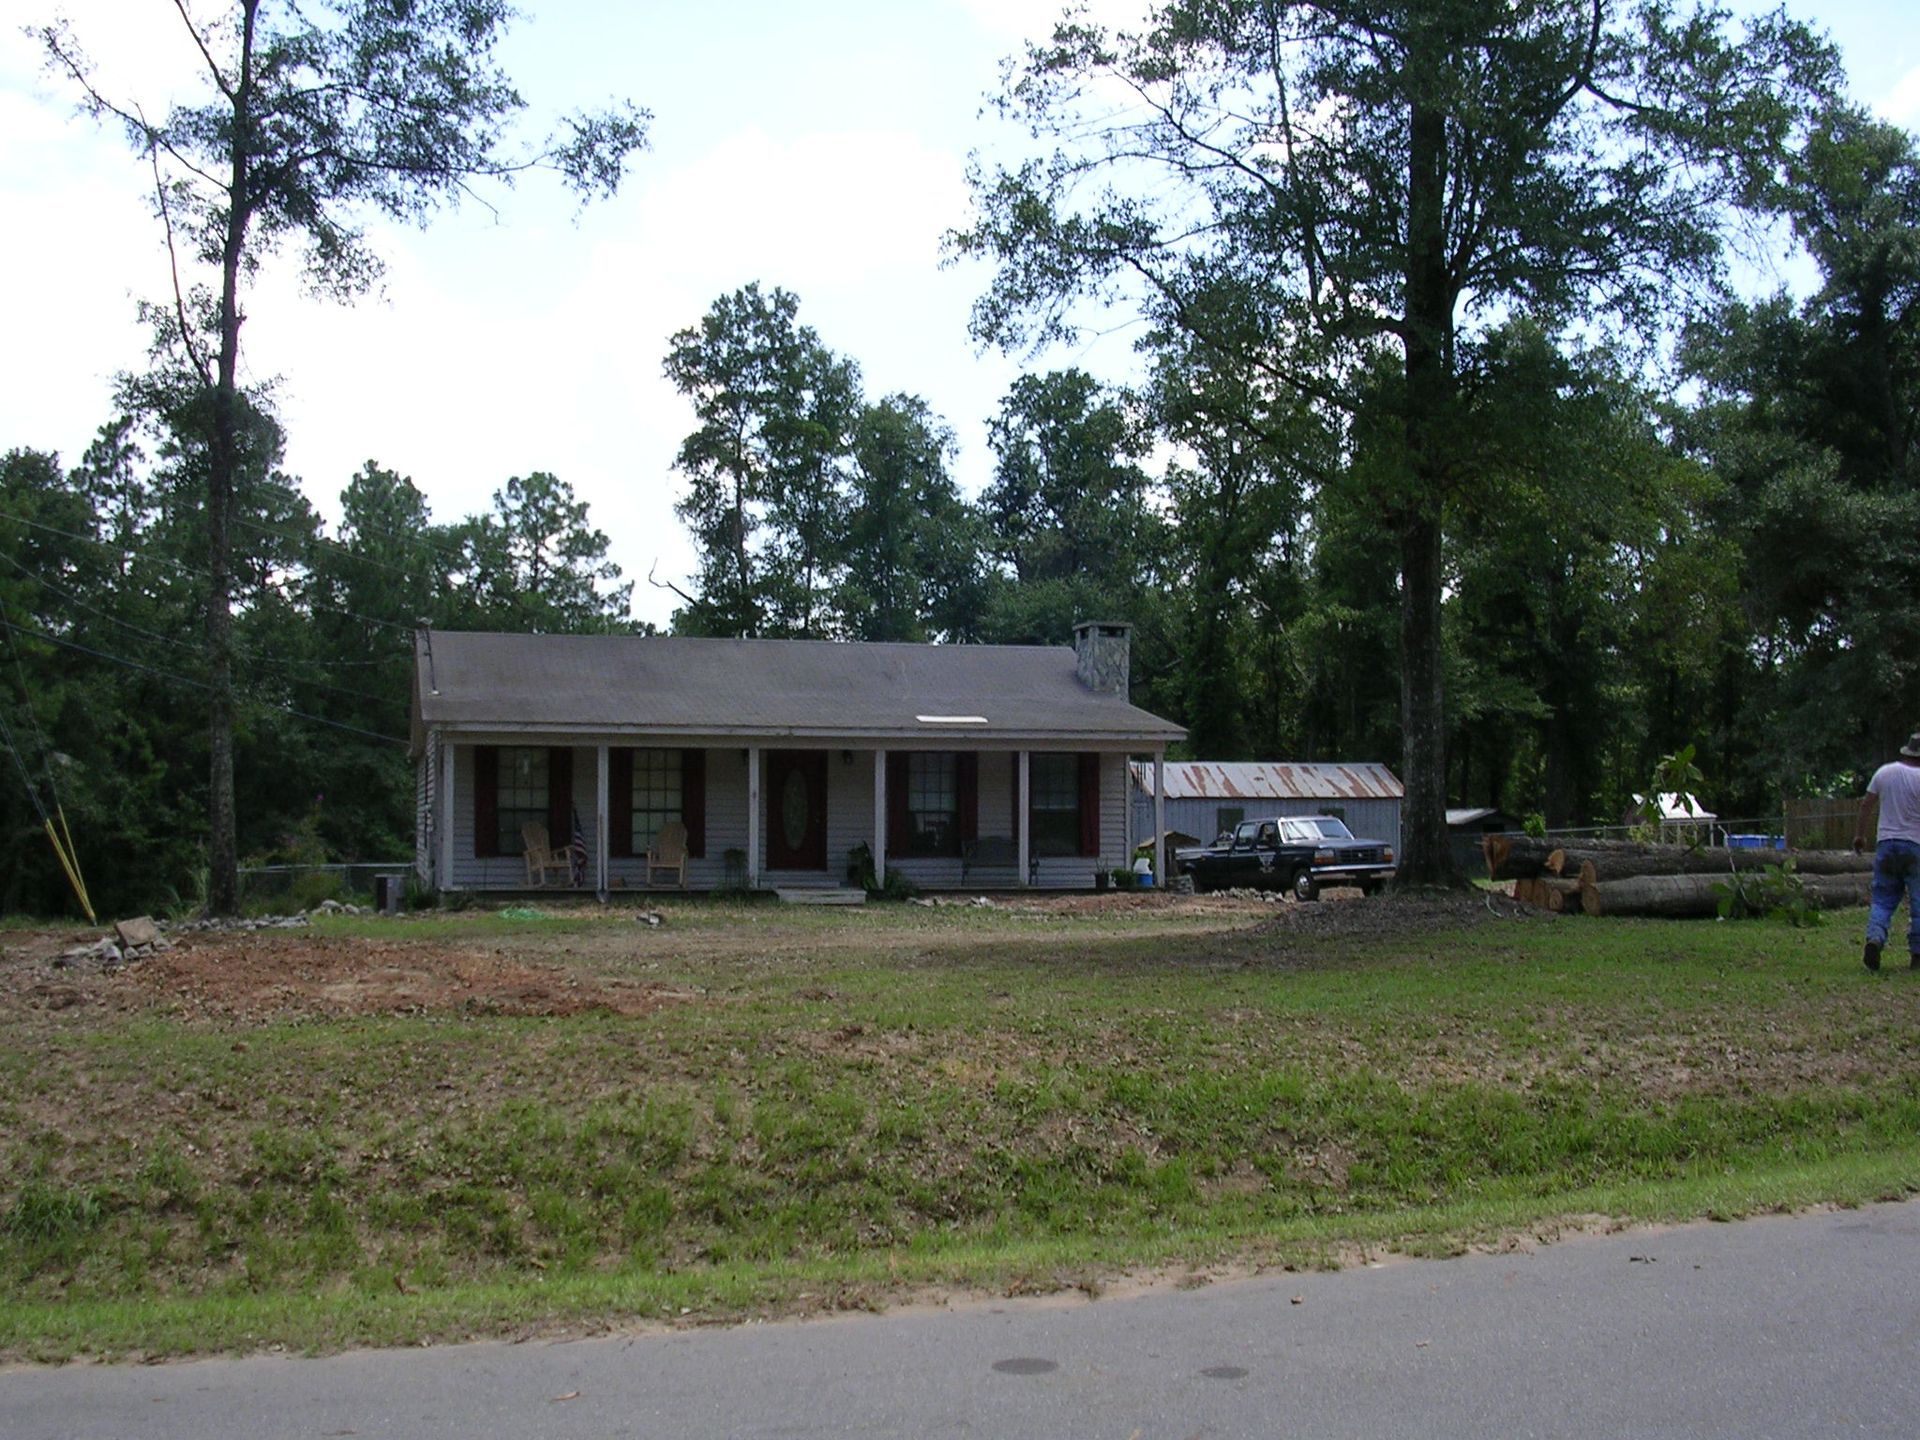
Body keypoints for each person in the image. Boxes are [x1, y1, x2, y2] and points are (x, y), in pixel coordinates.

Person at [1852, 731, 1920, 971]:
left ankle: (1875, 938)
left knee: (1882, 899)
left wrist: (1860, 835)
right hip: (1915, 846)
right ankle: (1917, 953)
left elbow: (1866, 804)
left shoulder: (1885, 772)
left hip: (1886, 843)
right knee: (1918, 901)